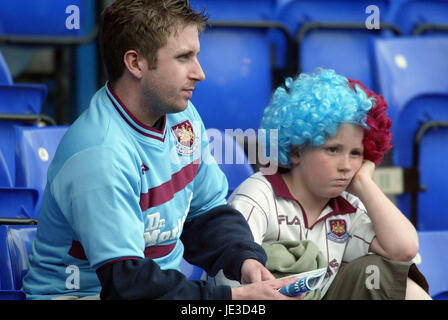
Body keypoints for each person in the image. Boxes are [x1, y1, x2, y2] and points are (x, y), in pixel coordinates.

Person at [21, 0, 302, 300]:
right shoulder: (99, 152)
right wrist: (233, 300)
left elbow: (206, 214)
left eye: (196, 55)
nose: (200, 72)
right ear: (135, 63)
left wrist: (244, 260)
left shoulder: (183, 116)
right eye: (184, 57)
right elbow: (127, 284)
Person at [211, 68, 431, 300]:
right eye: (333, 150)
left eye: (356, 153)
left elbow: (404, 249)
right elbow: (230, 275)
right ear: (296, 149)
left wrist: (365, 183)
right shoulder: (258, 194)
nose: (346, 165)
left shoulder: (348, 208)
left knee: (381, 272)